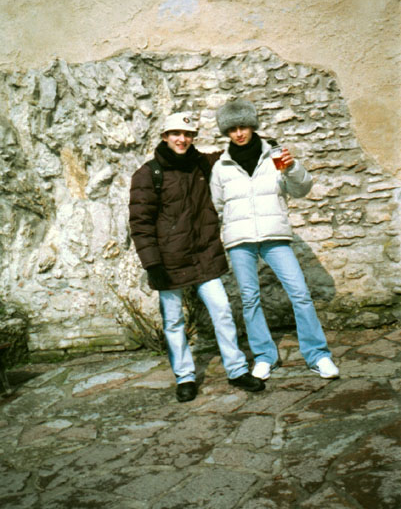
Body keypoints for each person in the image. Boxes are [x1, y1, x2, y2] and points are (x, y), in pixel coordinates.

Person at [128, 113, 265, 402]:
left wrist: (263, 144)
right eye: (176, 134)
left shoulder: (202, 164)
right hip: (168, 261)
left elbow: (234, 154)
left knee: (222, 311)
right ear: (165, 137)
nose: (182, 139)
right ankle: (185, 377)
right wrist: (152, 264)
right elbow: (140, 224)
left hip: (203, 256)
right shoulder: (148, 174)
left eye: (188, 134)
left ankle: (237, 370)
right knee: (173, 321)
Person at [210, 99, 339, 380]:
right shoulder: (221, 166)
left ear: (252, 126)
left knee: (300, 293)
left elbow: (301, 189)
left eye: (243, 126)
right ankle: (264, 356)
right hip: (240, 240)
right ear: (226, 132)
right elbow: (217, 206)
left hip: (274, 235)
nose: (239, 133)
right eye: (232, 129)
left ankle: (318, 355)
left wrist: (292, 169)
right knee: (250, 300)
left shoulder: (275, 155)